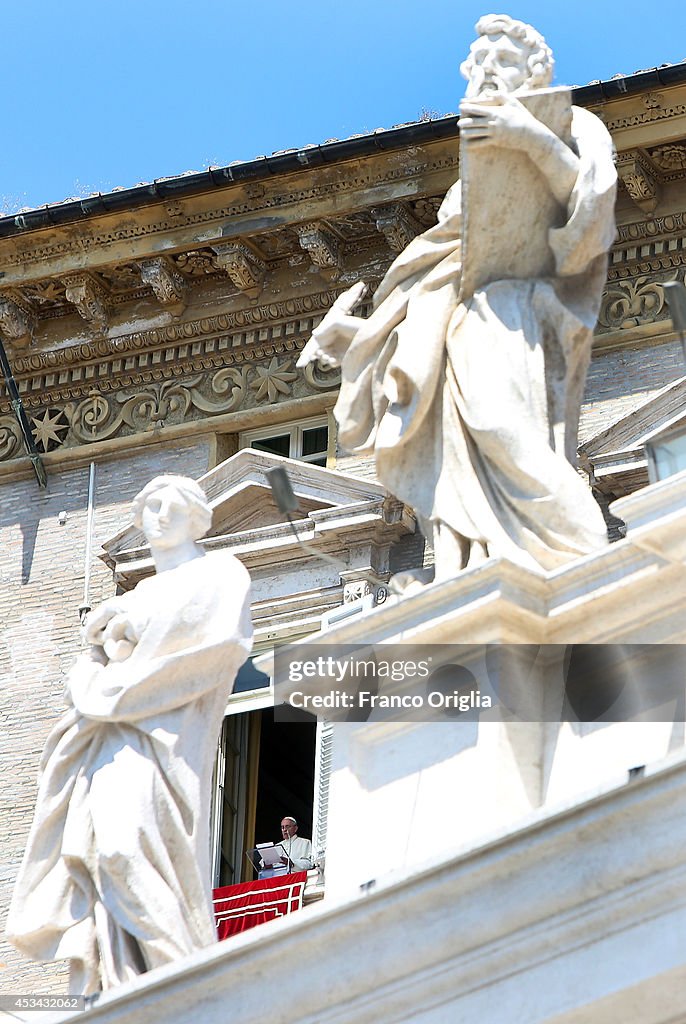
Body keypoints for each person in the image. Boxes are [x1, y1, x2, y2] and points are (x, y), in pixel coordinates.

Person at [298, 15, 617, 581]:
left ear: (535, 72)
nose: (490, 73)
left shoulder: (572, 126)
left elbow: (590, 214)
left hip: (520, 311)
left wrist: (532, 139)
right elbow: (425, 290)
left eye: (505, 63)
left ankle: (578, 551)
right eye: (481, 65)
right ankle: (468, 565)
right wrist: (356, 339)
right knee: (449, 458)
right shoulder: (461, 186)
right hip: (457, 320)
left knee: (501, 426)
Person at [6, 475, 253, 994]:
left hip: (167, 739)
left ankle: (183, 978)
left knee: (126, 847)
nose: (158, 514)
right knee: (102, 854)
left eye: (171, 505)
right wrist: (99, 648)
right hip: (110, 738)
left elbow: (217, 646)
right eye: (149, 506)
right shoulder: (136, 594)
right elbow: (91, 668)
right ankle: (130, 982)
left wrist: (126, 645)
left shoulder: (218, 572)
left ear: (198, 517)